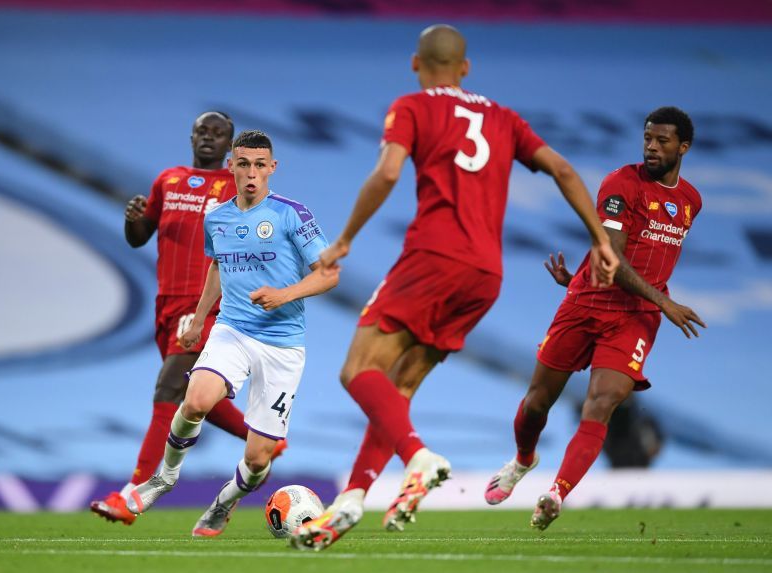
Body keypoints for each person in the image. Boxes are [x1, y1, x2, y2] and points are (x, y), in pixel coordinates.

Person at [289, 24, 618, 551]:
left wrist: (345, 238)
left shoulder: (412, 106)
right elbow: (560, 168)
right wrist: (600, 239)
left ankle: (418, 456)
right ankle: (352, 498)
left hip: (432, 257)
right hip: (486, 274)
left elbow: (387, 172)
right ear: (466, 68)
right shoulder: (504, 118)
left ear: (415, 64)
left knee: (358, 370)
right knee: (396, 391)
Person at [484, 106, 705, 530]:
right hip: (586, 306)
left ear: (684, 147)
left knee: (602, 403)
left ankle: (556, 493)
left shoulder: (691, 201)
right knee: (537, 403)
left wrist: (649, 300)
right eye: (647, 139)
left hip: (635, 316)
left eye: (662, 141)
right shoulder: (621, 184)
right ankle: (522, 461)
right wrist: (663, 301)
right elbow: (615, 258)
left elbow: (643, 254)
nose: (652, 147)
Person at [125, 130, 337, 537]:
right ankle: (164, 478)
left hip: (282, 346)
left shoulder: (293, 213)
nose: (252, 173)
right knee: (196, 399)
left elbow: (329, 273)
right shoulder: (217, 217)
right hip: (232, 330)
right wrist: (198, 318)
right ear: (231, 168)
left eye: (260, 165)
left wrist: (284, 294)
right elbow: (218, 267)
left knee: (259, 459)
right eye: (244, 164)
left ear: (272, 169)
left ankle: (224, 503)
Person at [90, 112, 284, 527]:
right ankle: (267, 440)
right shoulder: (168, 180)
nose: (209, 138)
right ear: (192, 136)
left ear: (232, 149)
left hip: (207, 306)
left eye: (219, 134)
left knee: (169, 385)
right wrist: (134, 220)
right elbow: (142, 236)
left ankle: (133, 493)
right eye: (203, 131)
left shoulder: (238, 189)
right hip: (166, 305)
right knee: (196, 395)